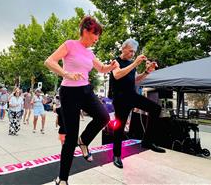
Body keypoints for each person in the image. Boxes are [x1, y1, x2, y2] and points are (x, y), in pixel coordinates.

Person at [44, 16, 119, 185]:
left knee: (104, 117)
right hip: (69, 92)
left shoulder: (90, 52)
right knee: (70, 138)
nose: (96, 39)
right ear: (85, 31)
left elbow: (101, 68)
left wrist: (111, 66)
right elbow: (49, 61)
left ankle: (84, 140)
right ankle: (62, 179)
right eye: (95, 34)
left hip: (86, 90)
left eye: (98, 35)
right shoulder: (70, 44)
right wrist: (66, 73)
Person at [109, 38, 165, 169]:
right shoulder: (115, 62)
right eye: (130, 51)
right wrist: (135, 63)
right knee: (120, 126)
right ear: (123, 48)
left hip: (132, 96)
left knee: (156, 108)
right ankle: (116, 155)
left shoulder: (130, 64)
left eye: (134, 52)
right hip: (120, 99)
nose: (132, 54)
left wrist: (146, 72)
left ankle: (147, 141)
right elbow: (117, 75)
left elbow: (135, 80)